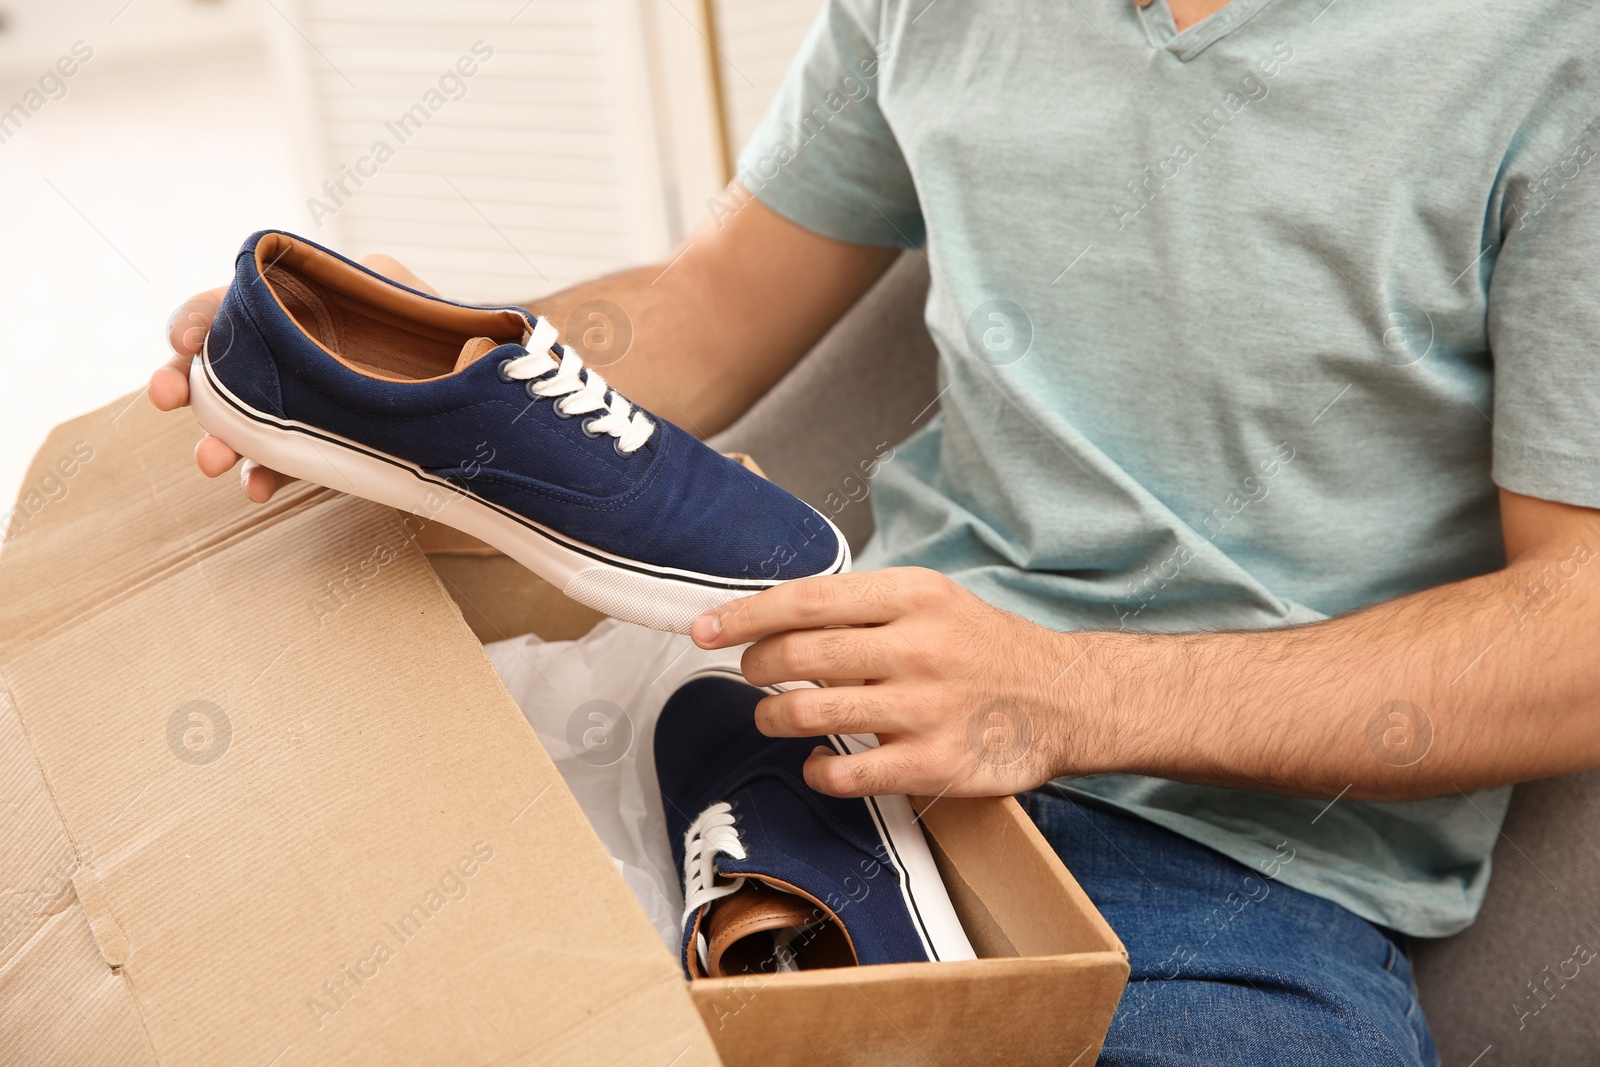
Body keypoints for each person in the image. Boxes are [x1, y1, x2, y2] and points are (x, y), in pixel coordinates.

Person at [151, 0, 1600, 1062]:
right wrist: (434, 379)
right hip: (817, 727)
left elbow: (1581, 626)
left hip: (1233, 863)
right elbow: (715, 310)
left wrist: (1074, 697)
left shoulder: (1551, 52)